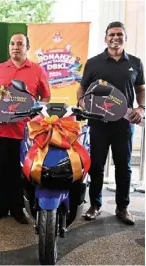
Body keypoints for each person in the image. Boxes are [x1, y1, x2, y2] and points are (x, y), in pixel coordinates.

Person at [77, 21, 144, 225]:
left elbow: (141, 88)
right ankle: (95, 204)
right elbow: (82, 88)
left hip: (124, 123)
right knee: (96, 165)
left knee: (123, 166)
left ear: (125, 37)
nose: (115, 38)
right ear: (105, 38)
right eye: (111, 34)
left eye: (119, 34)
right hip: (98, 122)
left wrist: (141, 108)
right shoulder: (94, 62)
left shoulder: (135, 62)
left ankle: (122, 207)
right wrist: (81, 103)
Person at [0, 33, 51, 223]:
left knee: (21, 171)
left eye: (20, 44)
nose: (16, 47)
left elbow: (45, 98)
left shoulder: (37, 70)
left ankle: (18, 207)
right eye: (13, 44)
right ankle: (0, 205)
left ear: (27, 47)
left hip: (25, 132)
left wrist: (35, 113)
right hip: (0, 130)